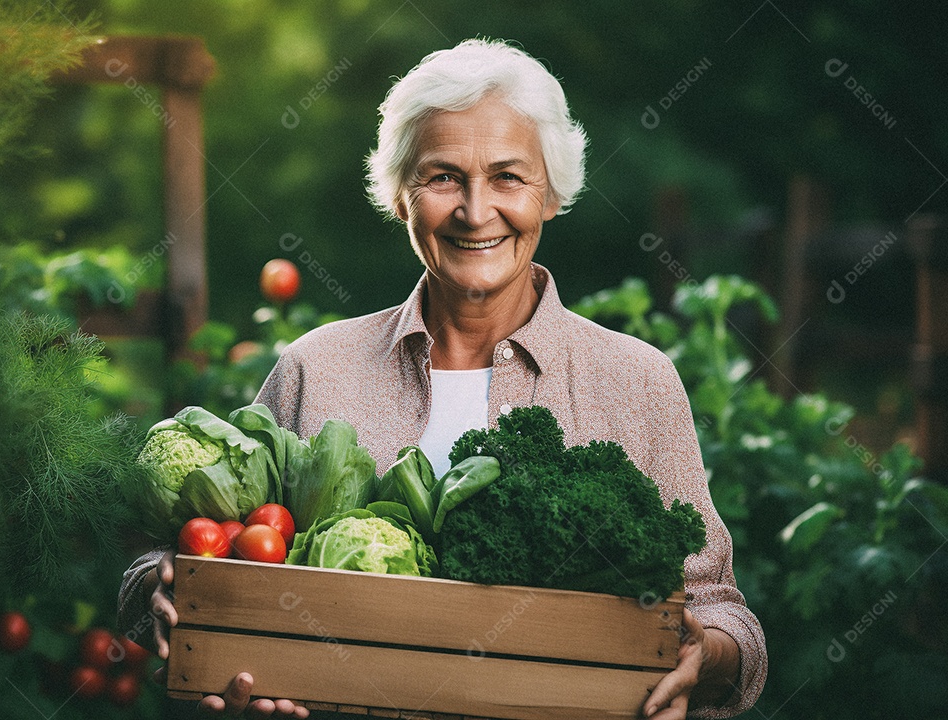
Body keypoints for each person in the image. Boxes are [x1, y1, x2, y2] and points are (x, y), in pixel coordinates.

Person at [119, 38, 767, 720]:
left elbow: (724, 616)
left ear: (551, 194)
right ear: (401, 197)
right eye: (443, 177)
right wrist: (160, 596)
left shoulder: (637, 382)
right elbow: (194, 551)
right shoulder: (316, 369)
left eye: (509, 178)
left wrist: (708, 654)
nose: (475, 210)